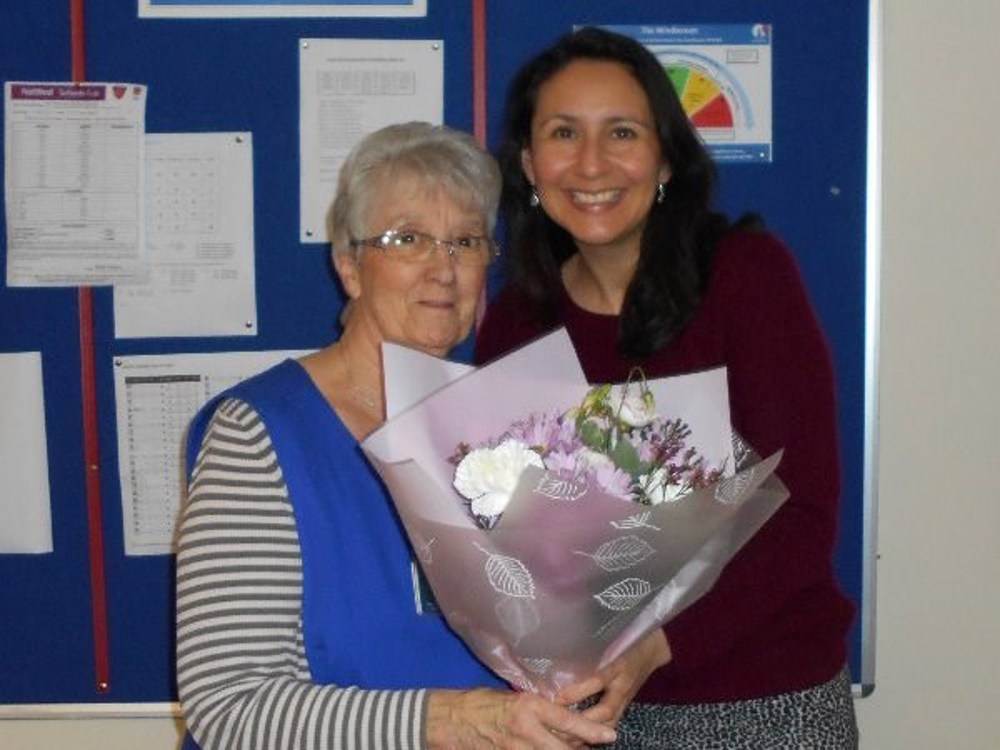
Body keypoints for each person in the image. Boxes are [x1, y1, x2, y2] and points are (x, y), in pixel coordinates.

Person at [175, 121, 618, 750]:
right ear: (350, 266)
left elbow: (558, 628)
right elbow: (233, 705)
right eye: (408, 239)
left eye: (466, 242)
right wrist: (459, 722)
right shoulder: (257, 435)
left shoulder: (514, 427)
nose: (444, 269)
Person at [475, 27, 859, 748]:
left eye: (621, 132)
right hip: (587, 708)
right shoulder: (519, 318)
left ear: (664, 159)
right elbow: (507, 528)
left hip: (757, 701)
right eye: (563, 133)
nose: (591, 163)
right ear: (529, 163)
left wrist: (661, 642)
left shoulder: (747, 279)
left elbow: (802, 516)